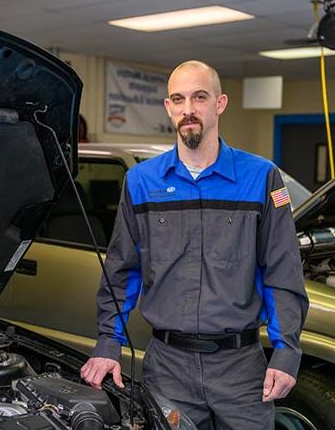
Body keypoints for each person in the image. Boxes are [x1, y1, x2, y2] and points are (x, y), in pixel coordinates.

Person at [80, 60, 308, 430]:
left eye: (199, 97)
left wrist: (286, 351)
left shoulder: (261, 176)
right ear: (168, 108)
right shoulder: (140, 181)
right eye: (178, 99)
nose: (189, 109)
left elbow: (282, 269)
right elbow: (122, 271)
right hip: (168, 369)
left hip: (241, 370)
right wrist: (109, 343)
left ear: (219, 103)